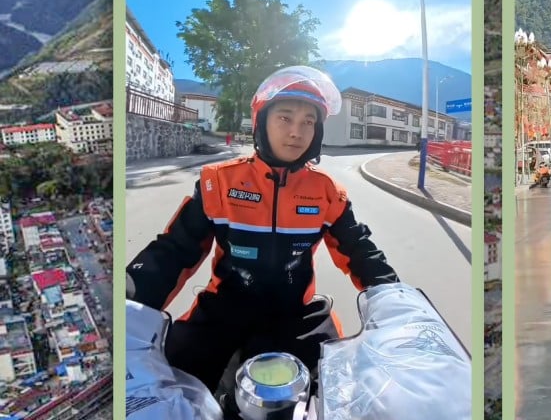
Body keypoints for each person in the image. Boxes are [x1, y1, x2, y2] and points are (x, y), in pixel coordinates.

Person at [126, 66, 400, 392]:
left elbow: (359, 250)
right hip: (221, 312)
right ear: (262, 122)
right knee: (165, 389)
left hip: (297, 316)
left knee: (335, 397)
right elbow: (174, 250)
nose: (297, 131)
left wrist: (397, 303)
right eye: (285, 118)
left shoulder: (328, 192)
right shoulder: (219, 182)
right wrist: (131, 301)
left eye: (308, 122)